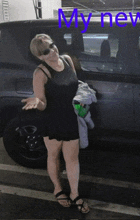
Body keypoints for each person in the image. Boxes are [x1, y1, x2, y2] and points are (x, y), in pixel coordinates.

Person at [21, 34, 90, 214]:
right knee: (53, 156)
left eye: (52, 45)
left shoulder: (67, 60)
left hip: (70, 118)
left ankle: (75, 194)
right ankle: (58, 189)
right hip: (51, 120)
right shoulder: (40, 73)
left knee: (72, 160)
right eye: (46, 51)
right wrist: (37, 102)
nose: (52, 51)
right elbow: (42, 104)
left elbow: (75, 85)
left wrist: (82, 99)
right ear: (40, 57)